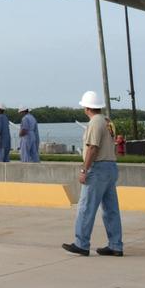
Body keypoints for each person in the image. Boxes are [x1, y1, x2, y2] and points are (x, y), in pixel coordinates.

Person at [62, 90, 123, 257]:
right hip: (111, 166)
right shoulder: (107, 121)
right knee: (111, 209)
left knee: (86, 207)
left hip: (98, 169)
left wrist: (84, 169)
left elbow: (92, 148)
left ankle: (81, 243)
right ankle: (116, 244)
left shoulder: (95, 122)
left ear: (87, 108)